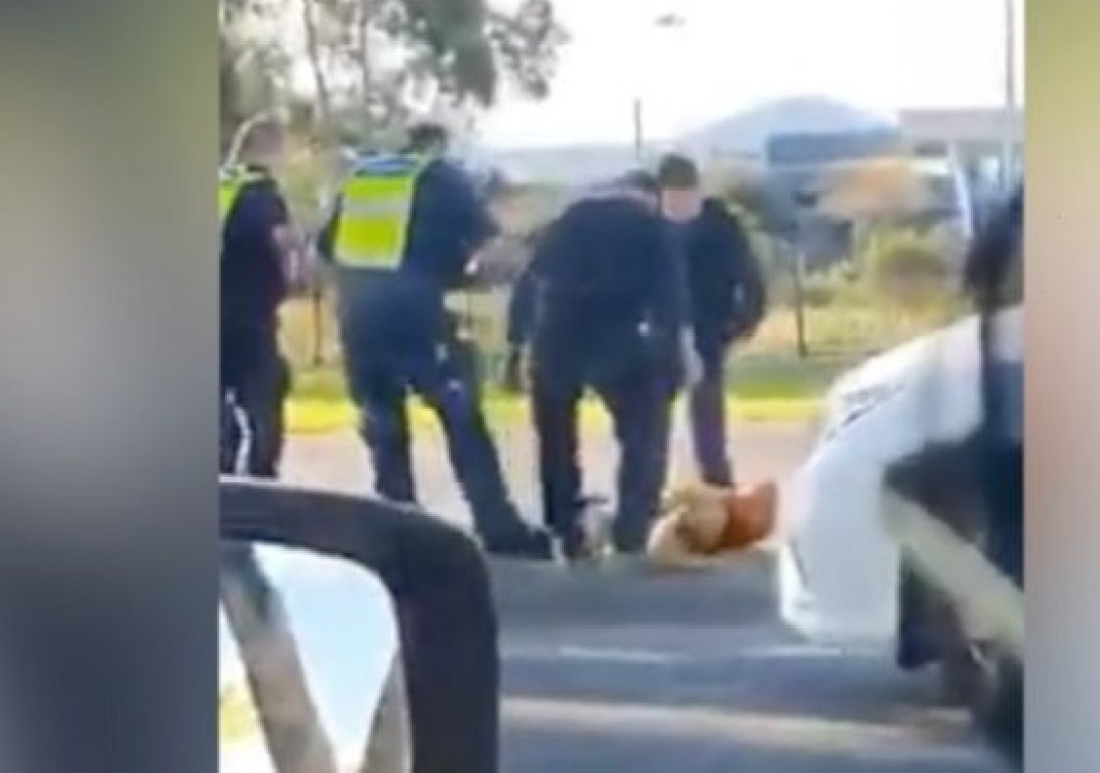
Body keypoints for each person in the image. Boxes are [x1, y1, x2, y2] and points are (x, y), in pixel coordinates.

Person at [316, 120, 550, 558]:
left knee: (383, 423)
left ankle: (396, 523)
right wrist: (476, 279)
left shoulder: (364, 178)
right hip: (414, 315)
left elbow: (328, 248)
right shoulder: (441, 176)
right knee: (461, 417)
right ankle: (498, 527)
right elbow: (492, 244)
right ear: (438, 146)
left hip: (358, 317)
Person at [504, 170, 701, 559]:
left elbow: (529, 283)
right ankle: (632, 525)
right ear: (649, 196)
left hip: (556, 333)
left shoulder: (564, 222)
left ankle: (564, 524)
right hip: (621, 336)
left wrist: (516, 346)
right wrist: (680, 350)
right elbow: (670, 294)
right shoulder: (652, 226)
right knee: (644, 435)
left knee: (556, 439)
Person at [655, 153, 766, 488]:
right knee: (652, 417)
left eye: (687, 195)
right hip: (660, 330)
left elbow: (748, 274)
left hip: (708, 327)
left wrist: (744, 320)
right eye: (673, 197)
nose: (681, 205)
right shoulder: (649, 225)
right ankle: (648, 489)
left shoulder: (720, 224)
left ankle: (717, 482)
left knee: (707, 413)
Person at [220, 115, 300, 478]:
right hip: (249, 316)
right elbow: (282, 243)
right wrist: (296, 276)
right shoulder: (261, 192)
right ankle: (262, 484)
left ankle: (221, 479)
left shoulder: (218, 186)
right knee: (265, 401)